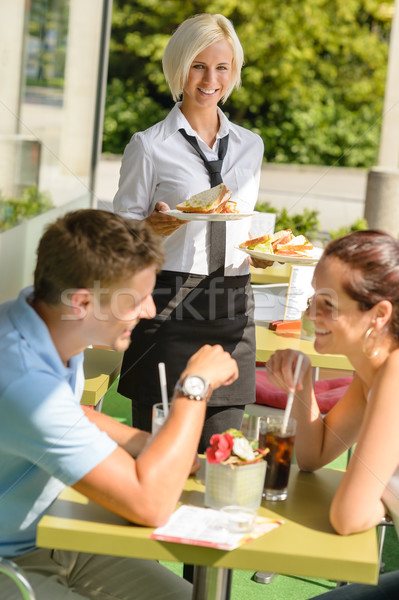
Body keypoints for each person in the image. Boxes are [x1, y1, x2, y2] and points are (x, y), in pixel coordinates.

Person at [0, 209, 238, 600]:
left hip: (57, 536)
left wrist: (148, 446)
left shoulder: (42, 319)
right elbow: (151, 505)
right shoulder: (23, 379)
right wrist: (194, 388)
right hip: (9, 564)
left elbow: (73, 415)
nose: (148, 311)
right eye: (137, 300)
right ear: (80, 303)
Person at [113, 13, 271, 453]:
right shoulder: (149, 146)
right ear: (179, 68)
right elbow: (119, 237)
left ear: (233, 72)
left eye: (222, 67)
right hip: (167, 303)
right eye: (199, 66)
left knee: (224, 451)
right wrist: (150, 228)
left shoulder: (250, 145)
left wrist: (260, 253)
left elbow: (242, 223)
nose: (210, 79)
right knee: (159, 450)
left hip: (233, 303)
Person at [265, 229, 399, 599]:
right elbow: (313, 456)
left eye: (328, 304)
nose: (311, 313)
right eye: (313, 299)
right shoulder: (371, 372)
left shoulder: (395, 373)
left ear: (379, 315)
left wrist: (380, 504)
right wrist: (303, 381)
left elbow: (348, 517)